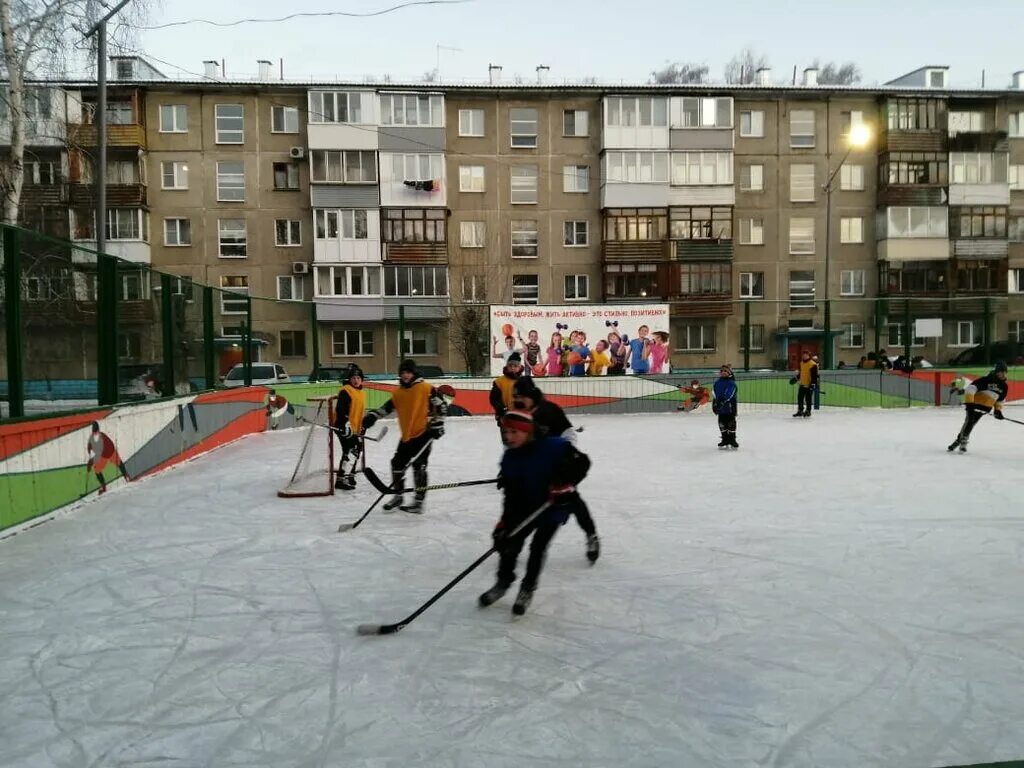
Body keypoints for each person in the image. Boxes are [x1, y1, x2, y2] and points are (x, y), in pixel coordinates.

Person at [479, 410, 592, 616]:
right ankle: (503, 582)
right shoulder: (509, 458)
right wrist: (503, 524)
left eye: (514, 432)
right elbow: (511, 496)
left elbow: (583, 463)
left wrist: (565, 483)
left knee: (537, 548)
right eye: (505, 432)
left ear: (528, 431)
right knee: (508, 543)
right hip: (525, 507)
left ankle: (527, 588)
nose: (508, 437)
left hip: (551, 508)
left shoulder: (555, 446)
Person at [511, 377, 600, 563]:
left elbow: (569, 433)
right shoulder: (517, 414)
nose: (517, 400)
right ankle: (513, 542)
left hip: (560, 463)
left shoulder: (550, 410)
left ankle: (591, 536)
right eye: (514, 397)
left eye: (520, 396)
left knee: (571, 499)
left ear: (531, 396)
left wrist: (564, 457)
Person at [362, 359, 446, 513]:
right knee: (397, 464)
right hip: (407, 437)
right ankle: (398, 496)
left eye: (408, 372)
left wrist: (438, 425)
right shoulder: (398, 393)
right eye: (403, 373)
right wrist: (373, 416)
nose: (405, 375)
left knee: (419, 467)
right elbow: (386, 408)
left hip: (423, 435)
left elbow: (441, 406)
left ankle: (419, 503)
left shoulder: (426, 388)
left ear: (414, 373)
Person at [947, 361, 1009, 453]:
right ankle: (963, 441)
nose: (1003, 374)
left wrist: (998, 411)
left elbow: (1000, 400)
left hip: (984, 409)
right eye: (1001, 372)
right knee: (969, 421)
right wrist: (970, 404)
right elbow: (970, 389)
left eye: (1005, 372)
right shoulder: (985, 380)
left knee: (971, 423)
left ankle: (958, 441)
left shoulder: (1004, 386)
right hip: (973, 406)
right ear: (996, 372)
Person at [333, 366, 366, 491]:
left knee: (357, 448)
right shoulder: (346, 391)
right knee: (350, 449)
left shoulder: (361, 392)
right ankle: (341, 479)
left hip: (354, 428)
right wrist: (345, 424)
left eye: (358, 378)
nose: (356, 380)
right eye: (353, 378)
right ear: (349, 379)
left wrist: (361, 426)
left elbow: (359, 412)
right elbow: (340, 410)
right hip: (342, 426)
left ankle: (350, 474)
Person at [87, 421, 129, 495]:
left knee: (97, 469)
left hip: (107, 454)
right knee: (118, 463)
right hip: (109, 452)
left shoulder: (98, 437)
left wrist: (91, 461)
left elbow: (99, 451)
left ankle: (104, 487)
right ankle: (126, 477)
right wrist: (89, 448)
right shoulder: (99, 435)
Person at [489, 352, 524, 428]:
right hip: (504, 415)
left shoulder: (524, 381)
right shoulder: (500, 381)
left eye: (515, 366)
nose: (513, 368)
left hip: (520, 416)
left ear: (520, 367)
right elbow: (494, 399)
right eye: (510, 365)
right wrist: (501, 409)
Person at [712, 364, 739, 448]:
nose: (723, 372)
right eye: (722, 371)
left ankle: (732, 439)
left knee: (731, 423)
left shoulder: (731, 383)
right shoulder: (717, 383)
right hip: (720, 408)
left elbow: (730, 393)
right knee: (722, 423)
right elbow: (714, 393)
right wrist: (714, 404)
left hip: (729, 407)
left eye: (725, 371)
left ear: (729, 372)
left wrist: (723, 400)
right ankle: (724, 439)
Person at [794, 350, 818, 418]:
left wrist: (813, 384)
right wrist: (796, 378)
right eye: (803, 355)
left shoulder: (813, 364)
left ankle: (808, 411)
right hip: (802, 384)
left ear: (808, 355)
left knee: (808, 399)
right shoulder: (801, 363)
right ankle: (800, 410)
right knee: (800, 398)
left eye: (806, 355)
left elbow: (814, 376)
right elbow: (801, 373)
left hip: (809, 384)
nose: (804, 356)